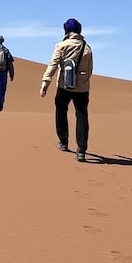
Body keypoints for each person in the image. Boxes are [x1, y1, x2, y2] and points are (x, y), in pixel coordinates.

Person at [40, 18, 93, 160]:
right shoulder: (87, 48)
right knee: (82, 116)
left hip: (64, 86)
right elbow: (90, 70)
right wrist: (83, 83)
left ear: (66, 31)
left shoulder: (61, 46)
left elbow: (53, 64)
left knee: (61, 112)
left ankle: (63, 142)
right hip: (82, 89)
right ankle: (81, 150)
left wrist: (45, 82)